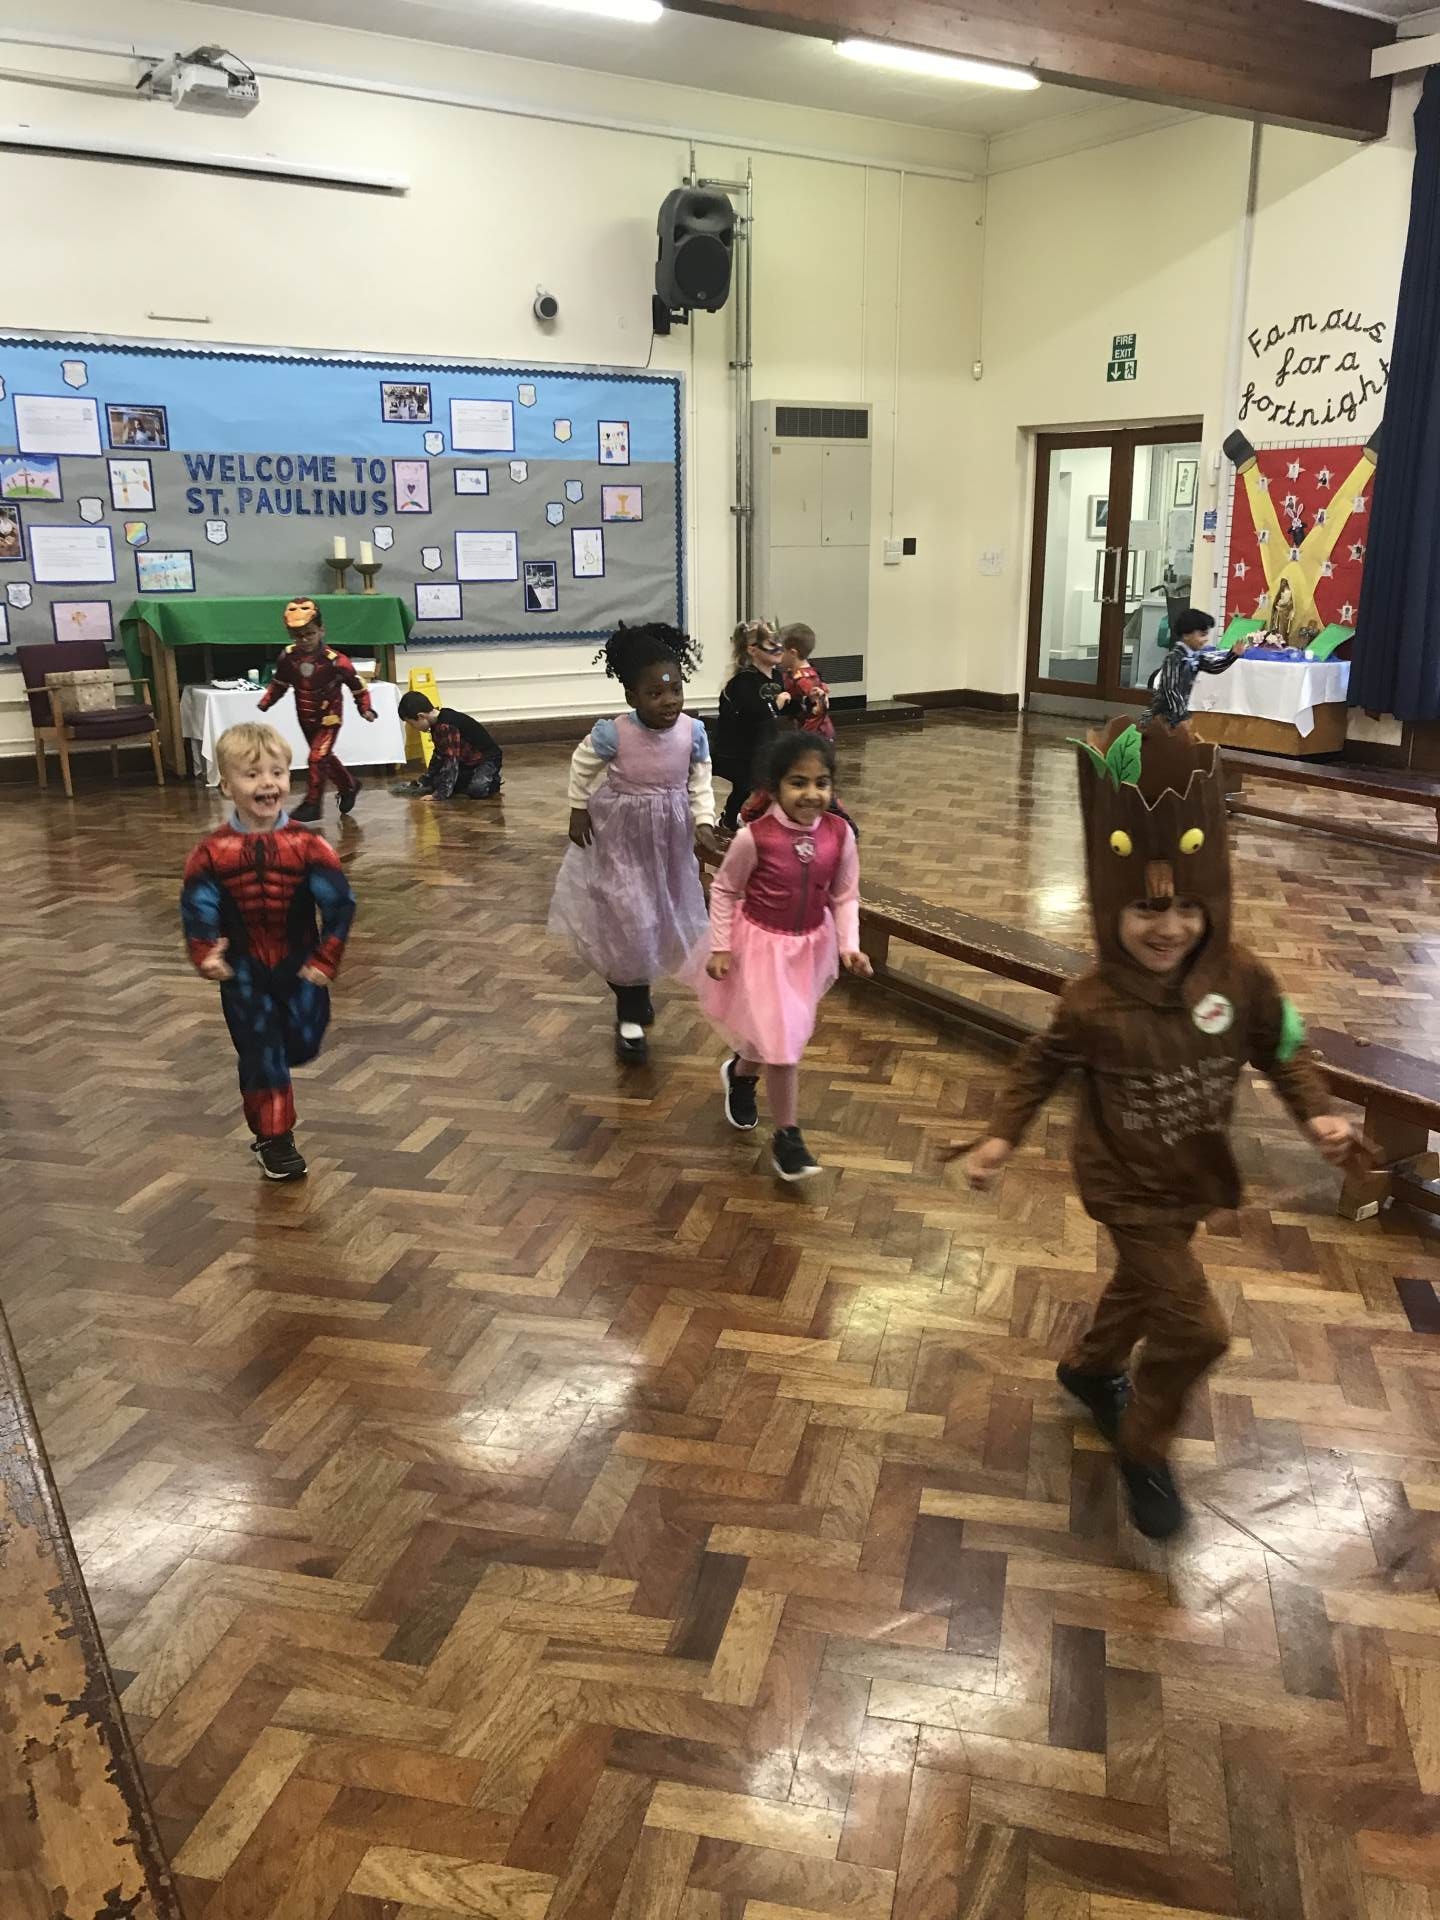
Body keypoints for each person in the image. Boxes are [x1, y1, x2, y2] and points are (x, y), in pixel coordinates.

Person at [958, 718, 1361, 1539]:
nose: (1166, 928)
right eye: (1145, 909)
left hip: (1191, 1175)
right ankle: (1144, 1445)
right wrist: (1001, 1134)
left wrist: (1316, 1109)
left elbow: (1281, 1045)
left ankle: (1090, 1366)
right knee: (1196, 1329)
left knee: (1144, 1287)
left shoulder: (1240, 979)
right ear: (1114, 908)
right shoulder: (1093, 1001)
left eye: (1183, 909)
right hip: (1126, 1185)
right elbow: (1041, 1062)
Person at [180, 722, 356, 1182]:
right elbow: (198, 904)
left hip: (300, 967)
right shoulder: (212, 852)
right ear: (226, 786)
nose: (268, 783)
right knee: (262, 1051)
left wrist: (326, 957)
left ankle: (279, 1088)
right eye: (252, 774)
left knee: (301, 1042)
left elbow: (339, 904)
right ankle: (274, 1138)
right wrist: (205, 951)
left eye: (277, 773)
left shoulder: (309, 845)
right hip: (243, 971)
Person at [691, 733, 871, 1182]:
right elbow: (725, 890)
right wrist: (720, 946)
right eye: (798, 782)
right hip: (761, 948)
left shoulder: (839, 834)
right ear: (774, 787)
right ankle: (788, 1138)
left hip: (809, 949)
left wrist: (849, 945)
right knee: (784, 1043)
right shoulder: (755, 838)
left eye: (821, 783)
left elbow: (845, 896)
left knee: (774, 1032)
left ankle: (740, 1073)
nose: (811, 794)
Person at [548, 622, 718, 1064]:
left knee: (658, 921)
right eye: (655, 693)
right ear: (631, 696)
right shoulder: (614, 734)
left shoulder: (692, 732)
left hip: (669, 843)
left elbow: (700, 782)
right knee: (630, 922)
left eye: (676, 690)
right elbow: (582, 765)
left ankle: (636, 991)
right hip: (621, 838)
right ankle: (630, 1011)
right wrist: (578, 807)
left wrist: (704, 821)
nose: (669, 701)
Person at [258, 599, 377, 822]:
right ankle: (349, 785)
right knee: (323, 758)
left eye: (309, 634)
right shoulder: (288, 657)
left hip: (329, 717)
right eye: (298, 635)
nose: (304, 640)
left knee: (316, 758)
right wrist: (266, 701)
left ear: (321, 630)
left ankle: (312, 804)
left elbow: (358, 686)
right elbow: (279, 683)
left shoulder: (337, 661)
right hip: (305, 717)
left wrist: (365, 708)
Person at [712, 619, 789, 834]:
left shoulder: (777, 676)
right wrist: (775, 704)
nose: (778, 647)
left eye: (779, 641)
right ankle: (729, 821)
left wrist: (810, 702)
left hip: (763, 744)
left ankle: (747, 820)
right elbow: (752, 713)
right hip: (737, 750)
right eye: (771, 643)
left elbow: (785, 709)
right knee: (746, 785)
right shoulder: (742, 682)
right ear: (752, 649)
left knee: (757, 785)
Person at [394, 693, 502, 800]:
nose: (413, 728)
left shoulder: (446, 726)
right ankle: (468, 779)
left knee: (477, 790)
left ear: (421, 716)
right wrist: (425, 780)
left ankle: (493, 780)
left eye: (412, 724)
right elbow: (438, 755)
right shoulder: (436, 724)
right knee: (437, 782)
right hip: (466, 761)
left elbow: (451, 761)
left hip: (487, 759)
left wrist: (439, 795)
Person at [1148, 609, 1246, 726]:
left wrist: (1233, 655)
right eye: (1202, 635)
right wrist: (1182, 717)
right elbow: (1171, 690)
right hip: (1163, 716)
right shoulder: (1174, 658)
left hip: (1178, 715)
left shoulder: (1195, 656)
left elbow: (1213, 667)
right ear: (1186, 635)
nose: (1206, 639)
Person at [778, 623, 835, 741]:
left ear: (793, 653)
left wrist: (804, 738)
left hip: (816, 737)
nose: (777, 654)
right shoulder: (792, 673)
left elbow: (818, 711)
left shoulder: (805, 679)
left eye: (781, 650)